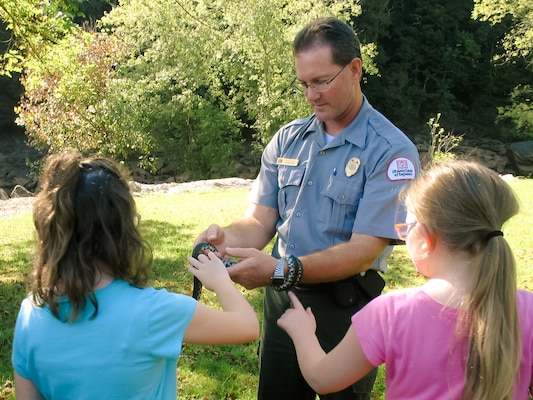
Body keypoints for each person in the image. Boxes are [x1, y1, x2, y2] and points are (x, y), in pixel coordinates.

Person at [195, 16, 420, 399]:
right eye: (303, 83)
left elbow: (365, 248)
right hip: (283, 302)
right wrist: (225, 240)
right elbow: (260, 220)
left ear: (354, 69)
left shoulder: (391, 151)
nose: (312, 94)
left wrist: (282, 269)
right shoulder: (288, 138)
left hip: (345, 310)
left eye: (321, 81)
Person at [11, 151, 259, 400]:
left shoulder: (30, 314)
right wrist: (220, 280)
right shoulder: (155, 312)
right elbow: (247, 326)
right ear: (124, 229)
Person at [278, 160, 533, 400]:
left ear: (423, 238)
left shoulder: (391, 313)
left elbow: (323, 379)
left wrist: (303, 332)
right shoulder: (528, 309)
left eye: (406, 226)